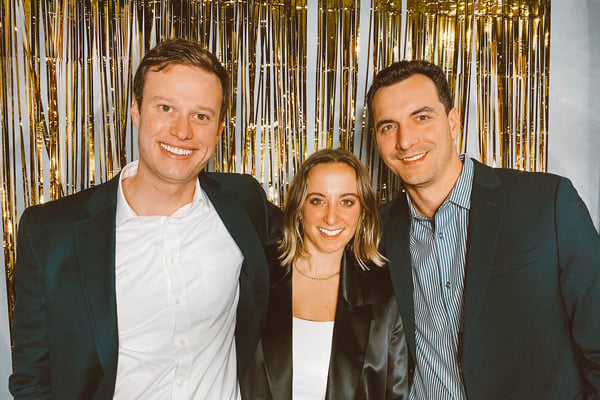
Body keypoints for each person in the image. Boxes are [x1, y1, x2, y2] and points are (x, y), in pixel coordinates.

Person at [9, 38, 281, 399]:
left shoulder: (243, 202)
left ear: (218, 130)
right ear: (135, 109)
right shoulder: (50, 233)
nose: (182, 131)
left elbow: (320, 236)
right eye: (166, 108)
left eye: (201, 116)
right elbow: (32, 379)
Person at [365, 59, 600, 399]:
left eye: (421, 117)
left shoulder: (546, 203)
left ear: (453, 121)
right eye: (388, 126)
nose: (405, 140)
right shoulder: (375, 232)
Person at [240, 148, 409, 399]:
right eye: (318, 200)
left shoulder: (384, 298)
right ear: (299, 208)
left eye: (346, 202)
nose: (331, 217)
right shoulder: (255, 277)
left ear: (362, 212)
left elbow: (397, 394)